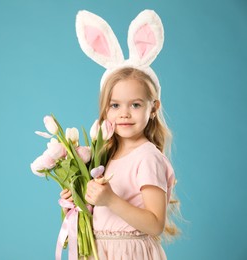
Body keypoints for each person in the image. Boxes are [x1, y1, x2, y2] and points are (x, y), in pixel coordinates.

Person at [60, 9, 181, 259]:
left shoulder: (147, 157)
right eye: (115, 105)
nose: (124, 113)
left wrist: (111, 200)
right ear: (105, 109)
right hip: (100, 251)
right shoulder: (107, 154)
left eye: (135, 105)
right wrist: (78, 200)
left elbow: (155, 223)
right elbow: (100, 212)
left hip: (129, 253)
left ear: (153, 109)